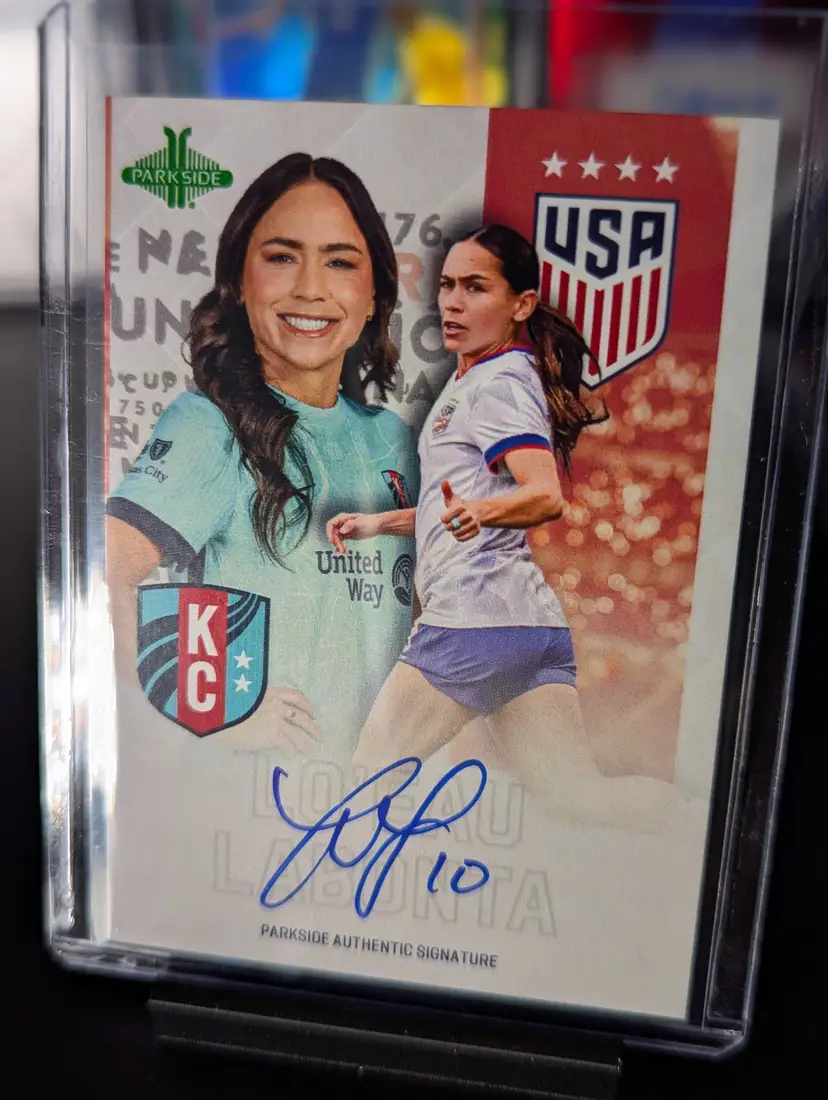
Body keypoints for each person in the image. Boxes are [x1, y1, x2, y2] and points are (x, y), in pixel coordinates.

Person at [326, 224, 698, 833]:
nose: (453, 302)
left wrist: (482, 513)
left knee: (368, 774)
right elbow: (460, 505)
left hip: (471, 624)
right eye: (448, 285)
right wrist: (382, 522)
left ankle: (328, 889)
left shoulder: (498, 384)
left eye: (475, 288)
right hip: (530, 629)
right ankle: (700, 825)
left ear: (521, 305)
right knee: (579, 798)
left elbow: (543, 493)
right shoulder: (478, 378)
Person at [106, 153, 418, 763]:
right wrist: (199, 714)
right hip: (253, 800)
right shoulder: (211, 426)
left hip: (378, 798)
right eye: (281, 257)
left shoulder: (398, 442)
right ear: (239, 284)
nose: (310, 287)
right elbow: (101, 575)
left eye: (340, 261)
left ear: (374, 295)